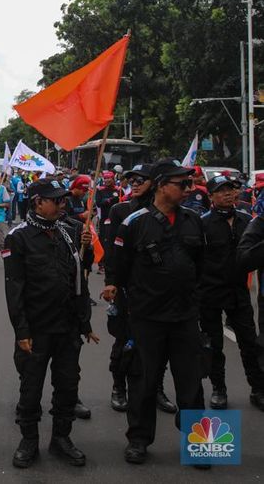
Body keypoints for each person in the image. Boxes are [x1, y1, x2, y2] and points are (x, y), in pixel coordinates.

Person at [114, 159, 206, 466]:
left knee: (192, 384)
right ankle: (138, 440)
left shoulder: (194, 220)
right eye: (182, 184)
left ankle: (200, 445)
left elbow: (200, 266)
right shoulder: (135, 223)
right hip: (147, 318)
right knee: (143, 382)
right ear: (162, 185)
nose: (188, 190)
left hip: (184, 317)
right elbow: (120, 271)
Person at [3, 178, 98, 468]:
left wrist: (88, 249)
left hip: (67, 327)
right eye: (55, 200)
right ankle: (29, 440)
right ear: (37, 202)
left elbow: (80, 275)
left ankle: (61, 438)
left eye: (63, 200)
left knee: (68, 385)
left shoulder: (70, 230)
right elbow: (14, 289)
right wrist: (22, 331)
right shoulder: (17, 237)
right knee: (31, 388)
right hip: (36, 329)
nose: (61, 205)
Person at [99, 164, 177, 414]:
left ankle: (156, 388)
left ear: (156, 183)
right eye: (131, 179)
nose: (134, 183)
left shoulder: (169, 211)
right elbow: (111, 251)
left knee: (160, 343)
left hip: (160, 289)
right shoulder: (120, 210)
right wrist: (111, 282)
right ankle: (118, 386)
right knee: (124, 339)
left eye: (141, 179)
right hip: (128, 287)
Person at [203, 175, 264, 411]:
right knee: (214, 345)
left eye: (231, 189)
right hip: (210, 293)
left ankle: (258, 388)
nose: (228, 194)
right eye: (222, 190)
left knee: (249, 343)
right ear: (211, 196)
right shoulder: (202, 223)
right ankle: (219, 389)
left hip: (239, 293)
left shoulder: (248, 220)